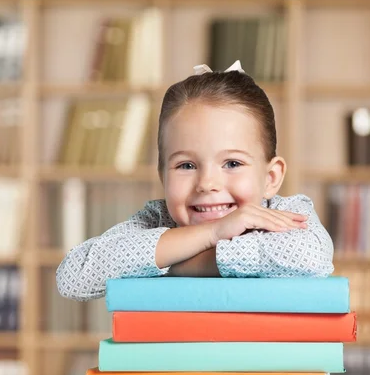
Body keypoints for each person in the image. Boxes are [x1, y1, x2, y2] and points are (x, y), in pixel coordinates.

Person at [56, 60, 334, 301]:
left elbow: (312, 258)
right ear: (162, 176)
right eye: (186, 165)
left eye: (232, 163)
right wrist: (211, 233)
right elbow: (73, 276)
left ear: (270, 178)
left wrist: (180, 261)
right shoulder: (157, 220)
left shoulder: (284, 214)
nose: (207, 183)